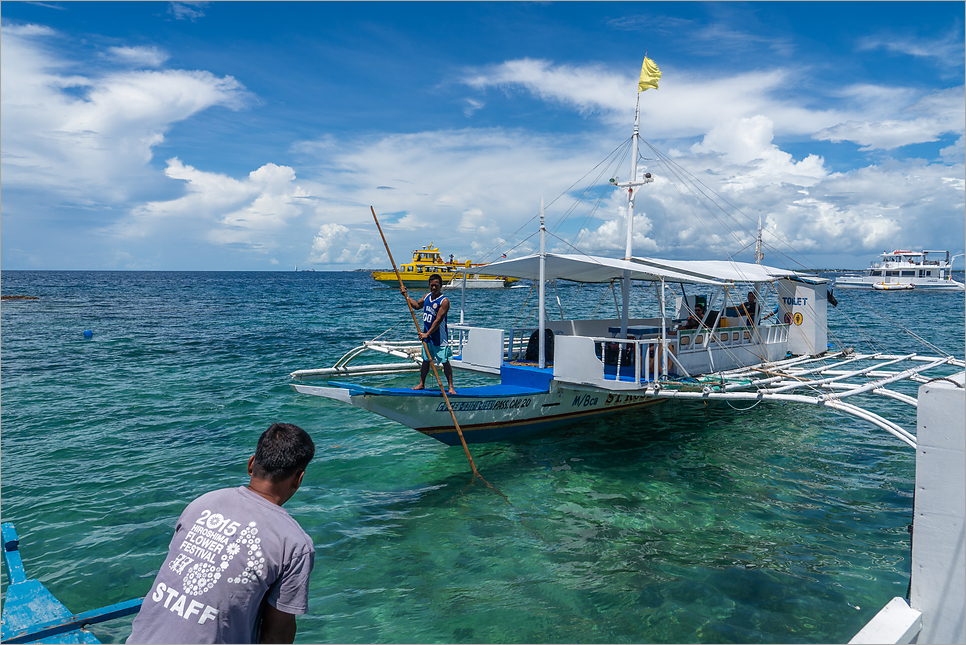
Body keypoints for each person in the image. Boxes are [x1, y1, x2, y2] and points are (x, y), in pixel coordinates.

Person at [127, 424, 316, 644]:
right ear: (298, 479)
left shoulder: (202, 504)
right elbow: (277, 635)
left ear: (252, 463)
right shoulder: (293, 543)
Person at [401, 273, 455, 394]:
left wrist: (427, 333)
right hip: (427, 337)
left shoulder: (444, 301)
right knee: (426, 360)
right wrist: (406, 296)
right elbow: (416, 306)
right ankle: (421, 384)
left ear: (441, 285)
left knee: (445, 361)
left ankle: (451, 387)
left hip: (439, 338)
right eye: (431, 285)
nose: (434, 288)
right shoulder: (426, 297)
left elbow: (438, 320)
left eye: (436, 285)